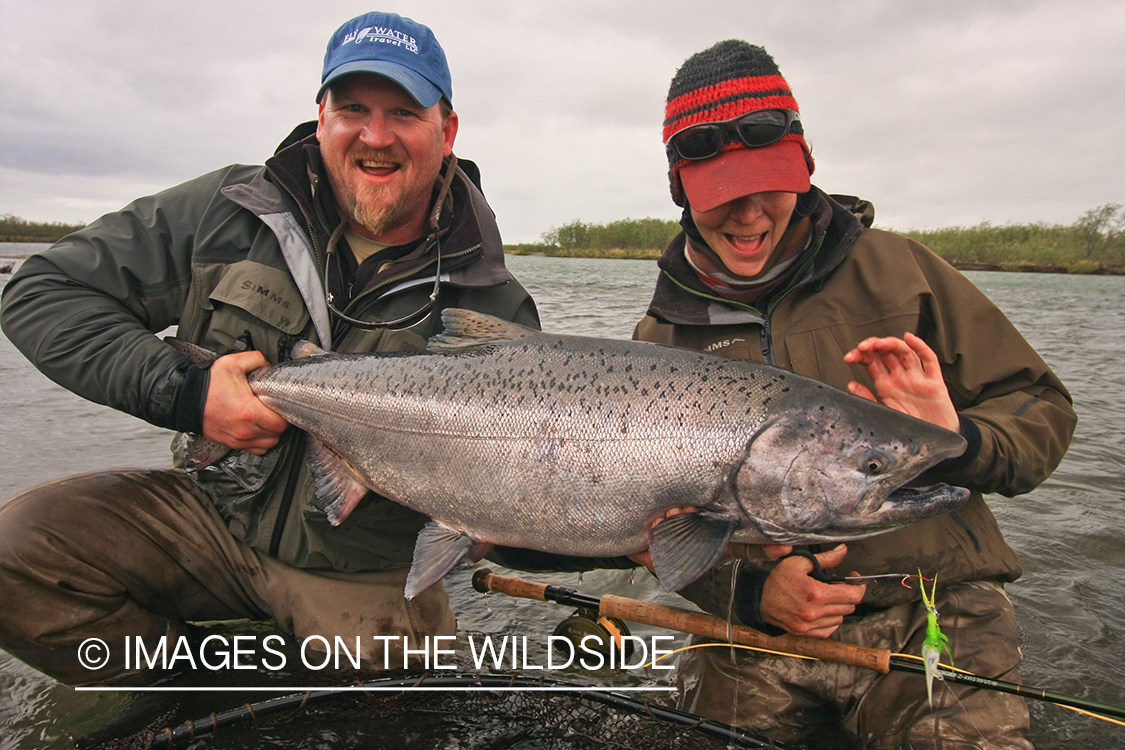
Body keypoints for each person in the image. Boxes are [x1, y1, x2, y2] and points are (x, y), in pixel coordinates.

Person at [0, 11, 540, 685]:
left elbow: (531, 500)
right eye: (353, 110)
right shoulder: (226, 212)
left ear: (446, 130)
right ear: (321, 119)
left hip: (361, 569)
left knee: (398, 702)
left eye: (403, 111)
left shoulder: (490, 299)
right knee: (18, 552)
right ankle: (192, 694)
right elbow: (41, 292)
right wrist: (187, 392)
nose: (375, 135)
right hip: (210, 521)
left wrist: (640, 526)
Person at [633, 41, 1076, 749]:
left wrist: (956, 436)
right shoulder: (659, 338)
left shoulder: (903, 273)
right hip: (757, 631)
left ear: (803, 167)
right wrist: (749, 596)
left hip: (930, 606)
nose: (747, 218)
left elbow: (1041, 410)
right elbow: (659, 534)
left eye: (766, 187)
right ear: (681, 189)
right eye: (722, 196)